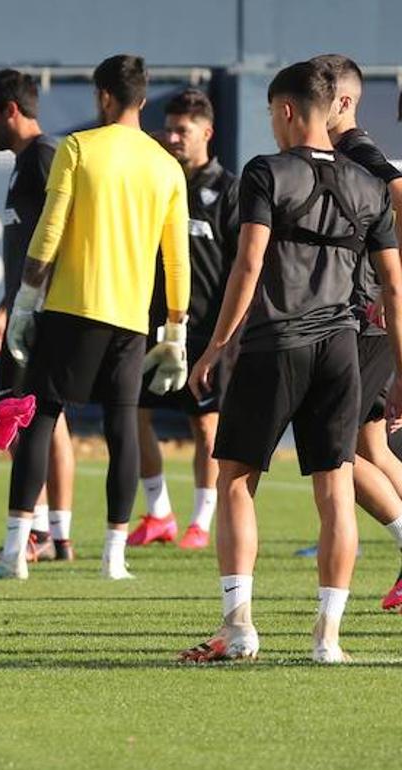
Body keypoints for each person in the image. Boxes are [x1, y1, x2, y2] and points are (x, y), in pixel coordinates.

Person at [179, 62, 401, 664]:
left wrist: (218, 343)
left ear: (284, 110)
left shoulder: (266, 172)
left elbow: (248, 265)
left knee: (236, 481)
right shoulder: (369, 184)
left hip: (274, 344)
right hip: (340, 349)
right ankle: (327, 639)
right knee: (333, 490)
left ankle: (240, 626)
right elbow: (394, 288)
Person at [0, 54, 190, 581]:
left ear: (103, 96)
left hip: (72, 307)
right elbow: (177, 258)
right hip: (131, 317)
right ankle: (114, 557)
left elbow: (48, 232)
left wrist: (26, 303)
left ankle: (14, 551)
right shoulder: (166, 164)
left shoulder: (78, 147)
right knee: (121, 428)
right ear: (143, 100)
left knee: (40, 419)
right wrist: (176, 330)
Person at [289, 55, 402, 612]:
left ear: (343, 103)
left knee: (331, 444)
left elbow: (400, 195)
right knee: (369, 446)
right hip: (364, 316)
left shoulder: (356, 151)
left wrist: (388, 285)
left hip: (366, 318)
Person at [0, 69, 77, 567]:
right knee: (46, 420)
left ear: (10, 109)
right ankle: (56, 534)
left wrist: (33, 308)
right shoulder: (25, 163)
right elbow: (27, 257)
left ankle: (36, 531)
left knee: (17, 420)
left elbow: (62, 238)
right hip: (24, 311)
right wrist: (2, 311)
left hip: (40, 316)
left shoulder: (43, 158)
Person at [128, 88, 240, 551]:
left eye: (183, 131)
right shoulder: (156, 181)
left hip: (204, 330)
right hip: (152, 322)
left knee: (205, 427)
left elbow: (243, 265)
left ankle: (200, 520)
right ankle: (158, 513)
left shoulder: (228, 190)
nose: (172, 138)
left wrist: (226, 337)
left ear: (207, 133)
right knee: (134, 414)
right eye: (168, 129)